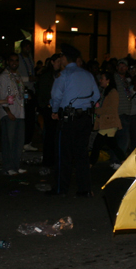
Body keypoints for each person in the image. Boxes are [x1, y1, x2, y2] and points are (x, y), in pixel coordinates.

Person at [49, 43, 100, 197]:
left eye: (61, 57)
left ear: (65, 58)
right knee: (81, 154)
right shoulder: (87, 74)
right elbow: (96, 96)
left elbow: (56, 96)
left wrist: (54, 111)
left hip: (68, 119)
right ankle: (84, 189)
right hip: (84, 119)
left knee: (63, 154)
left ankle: (60, 189)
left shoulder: (64, 75)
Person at [0, 53, 28, 176]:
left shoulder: (17, 75)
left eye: (16, 61)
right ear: (8, 62)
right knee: (8, 141)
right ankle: (8, 167)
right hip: (9, 114)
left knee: (18, 142)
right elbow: (1, 96)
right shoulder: (3, 77)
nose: (14, 63)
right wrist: (8, 112)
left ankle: (16, 165)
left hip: (20, 113)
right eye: (12, 60)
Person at [89, 72, 126, 168]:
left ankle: (90, 163)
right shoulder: (106, 91)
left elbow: (112, 108)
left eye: (102, 78)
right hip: (107, 122)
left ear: (108, 80)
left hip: (109, 122)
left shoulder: (112, 92)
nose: (100, 80)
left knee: (97, 144)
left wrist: (97, 111)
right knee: (112, 144)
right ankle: (124, 161)